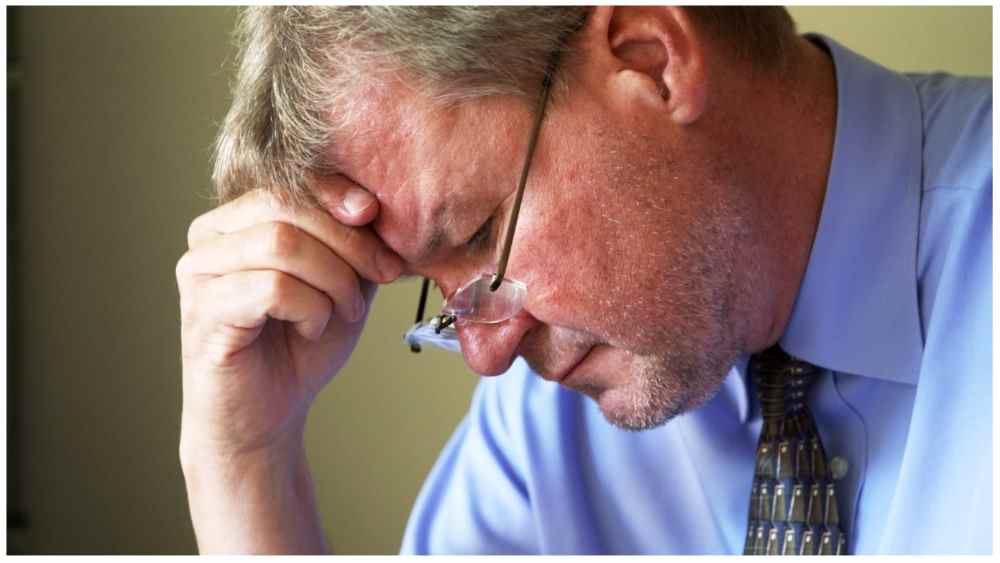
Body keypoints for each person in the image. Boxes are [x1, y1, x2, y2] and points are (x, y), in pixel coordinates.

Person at [175, 6, 992, 554]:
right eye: (436, 288)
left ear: (652, 60)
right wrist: (250, 465)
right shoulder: (542, 426)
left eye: (479, 234)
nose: (486, 354)